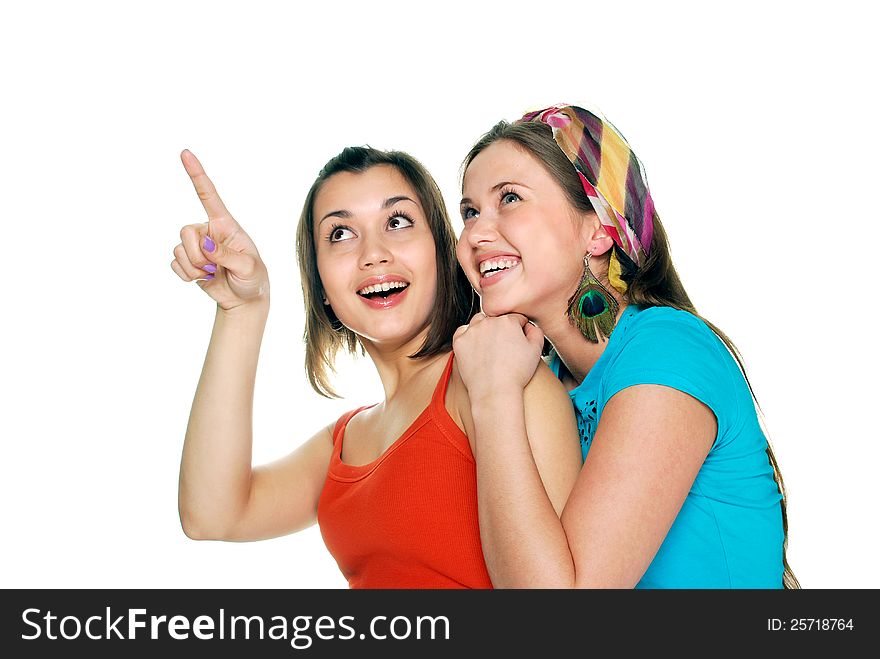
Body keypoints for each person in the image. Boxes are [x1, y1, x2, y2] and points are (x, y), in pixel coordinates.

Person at [170, 145, 581, 588]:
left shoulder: (502, 379)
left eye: (398, 222)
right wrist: (242, 310)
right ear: (321, 283)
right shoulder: (345, 440)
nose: (374, 254)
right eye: (341, 234)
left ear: (443, 252)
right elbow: (210, 515)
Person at [452, 103, 799, 588]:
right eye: (469, 211)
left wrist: (491, 395)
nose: (474, 234)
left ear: (599, 230)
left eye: (509, 198)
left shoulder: (667, 348)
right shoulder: (539, 380)